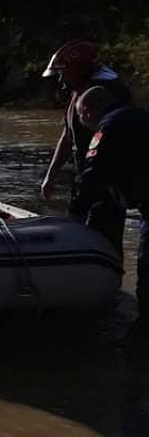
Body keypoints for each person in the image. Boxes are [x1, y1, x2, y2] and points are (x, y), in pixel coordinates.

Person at [41, 39, 131, 255]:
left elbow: (110, 144)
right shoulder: (78, 90)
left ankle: (109, 278)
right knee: (81, 230)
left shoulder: (107, 92)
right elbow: (68, 134)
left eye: (63, 73)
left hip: (107, 180)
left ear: (78, 68)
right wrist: (51, 174)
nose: (61, 80)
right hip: (86, 174)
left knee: (101, 234)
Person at [74, 86, 149, 338]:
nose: (83, 125)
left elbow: (91, 177)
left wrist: (73, 219)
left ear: (86, 110)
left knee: (147, 269)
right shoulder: (139, 115)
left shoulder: (107, 127)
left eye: (81, 119)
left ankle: (141, 337)